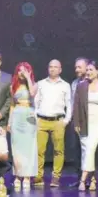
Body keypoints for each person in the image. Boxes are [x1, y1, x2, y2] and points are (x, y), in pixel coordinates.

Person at [33, 59, 72, 187]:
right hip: (42, 121)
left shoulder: (65, 85)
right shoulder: (41, 84)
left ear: (60, 69)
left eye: (55, 67)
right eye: (50, 67)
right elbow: (36, 103)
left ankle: (56, 177)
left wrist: (66, 121)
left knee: (58, 151)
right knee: (39, 150)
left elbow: (69, 104)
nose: (53, 69)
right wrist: (36, 118)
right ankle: (38, 176)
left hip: (57, 121)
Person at [72, 60, 98, 192]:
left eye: (91, 70)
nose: (88, 72)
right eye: (87, 70)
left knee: (90, 149)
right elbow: (75, 105)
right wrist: (76, 122)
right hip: (84, 123)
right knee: (85, 151)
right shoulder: (81, 86)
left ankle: (82, 180)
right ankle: (92, 180)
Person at [8, 62, 38, 189]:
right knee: (17, 148)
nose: (22, 73)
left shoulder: (35, 85)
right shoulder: (13, 86)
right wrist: (9, 122)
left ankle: (27, 176)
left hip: (29, 116)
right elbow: (12, 105)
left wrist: (28, 78)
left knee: (29, 147)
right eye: (19, 71)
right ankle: (18, 175)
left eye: (25, 70)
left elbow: (32, 93)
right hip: (17, 116)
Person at [67, 57, 89, 188]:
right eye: (76, 67)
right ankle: (80, 177)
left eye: (79, 67)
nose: (76, 70)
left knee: (88, 150)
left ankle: (90, 179)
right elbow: (71, 103)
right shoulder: (74, 83)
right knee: (76, 151)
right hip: (75, 122)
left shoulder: (92, 82)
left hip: (88, 121)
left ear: (87, 67)